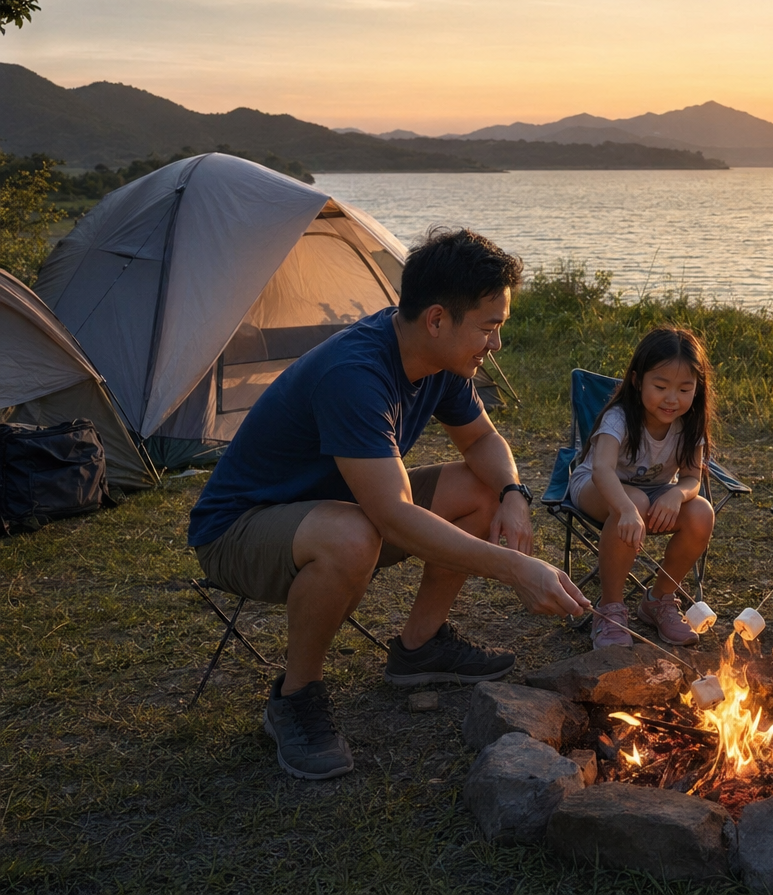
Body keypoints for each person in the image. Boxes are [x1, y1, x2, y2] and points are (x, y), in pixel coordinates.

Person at [188, 228, 587, 781]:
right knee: (353, 534)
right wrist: (515, 568)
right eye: (489, 328)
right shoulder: (356, 374)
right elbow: (393, 514)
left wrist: (513, 495)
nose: (496, 344)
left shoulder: (439, 360)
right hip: (240, 529)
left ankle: (419, 648)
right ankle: (295, 697)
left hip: (336, 508)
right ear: (438, 319)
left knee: (479, 488)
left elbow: (482, 442)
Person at [568, 328, 717, 649]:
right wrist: (624, 509)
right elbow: (601, 469)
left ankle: (659, 599)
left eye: (684, 389)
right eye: (661, 386)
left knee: (701, 513)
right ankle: (609, 609)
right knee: (633, 500)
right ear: (637, 381)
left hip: (654, 494)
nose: (672, 398)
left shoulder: (689, 424)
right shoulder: (619, 418)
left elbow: (692, 478)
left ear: (697, 389)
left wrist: (677, 494)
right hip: (596, 489)